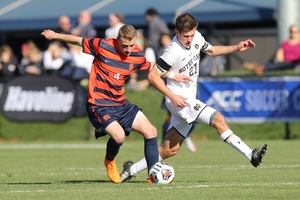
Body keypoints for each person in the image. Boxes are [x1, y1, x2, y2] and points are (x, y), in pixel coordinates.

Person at [120, 13, 268, 184]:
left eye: (192, 35)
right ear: (176, 32)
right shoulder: (172, 51)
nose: (190, 39)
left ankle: (131, 169)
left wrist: (236, 47)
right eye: (186, 36)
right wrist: (172, 96)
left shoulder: (196, 37)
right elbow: (152, 76)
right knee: (218, 119)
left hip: (186, 99)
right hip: (180, 100)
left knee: (169, 150)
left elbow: (211, 50)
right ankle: (251, 155)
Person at [41, 24, 159, 184]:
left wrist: (174, 75)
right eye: (125, 46)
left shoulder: (137, 54)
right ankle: (109, 161)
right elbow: (78, 40)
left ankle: (154, 176)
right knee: (119, 136)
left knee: (151, 131)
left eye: (132, 45)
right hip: (99, 104)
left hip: (121, 104)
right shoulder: (103, 45)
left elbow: (151, 67)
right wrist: (55, 35)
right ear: (117, 40)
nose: (129, 49)